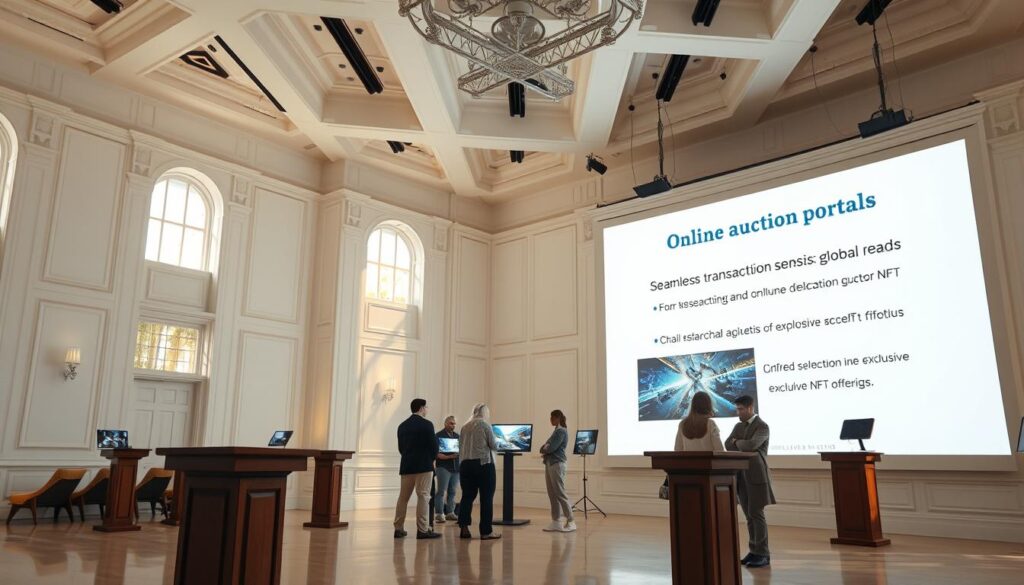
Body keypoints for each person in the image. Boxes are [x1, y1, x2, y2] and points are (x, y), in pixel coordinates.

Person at [724, 395, 775, 568]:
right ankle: (754, 551)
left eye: (741, 409)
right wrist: (739, 443)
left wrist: (737, 441)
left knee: (757, 514)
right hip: (741, 475)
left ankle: (763, 554)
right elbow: (726, 445)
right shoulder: (738, 426)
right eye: (737, 409)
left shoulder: (762, 426)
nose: (738, 412)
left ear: (750, 407)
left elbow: (752, 445)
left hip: (756, 475)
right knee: (748, 515)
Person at [394, 398, 440, 540]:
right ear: (421, 408)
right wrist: (431, 459)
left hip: (407, 465)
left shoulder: (402, 426)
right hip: (424, 466)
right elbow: (434, 447)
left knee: (403, 498)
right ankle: (423, 530)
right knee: (424, 496)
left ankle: (398, 528)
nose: (427, 410)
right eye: (426, 407)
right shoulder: (427, 425)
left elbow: (401, 448)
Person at [457, 403, 500, 540]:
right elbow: (493, 445)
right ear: (485, 413)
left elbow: (461, 446)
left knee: (467, 497)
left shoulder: (464, 426)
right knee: (486, 498)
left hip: (465, 465)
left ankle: (464, 527)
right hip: (483, 464)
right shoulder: (485, 425)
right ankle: (486, 532)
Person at [539, 409, 576, 532]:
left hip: (557, 464)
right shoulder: (556, 431)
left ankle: (571, 521)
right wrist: (545, 447)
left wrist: (546, 447)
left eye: (551, 418)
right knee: (552, 494)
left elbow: (550, 448)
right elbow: (544, 446)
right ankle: (556, 521)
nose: (550, 420)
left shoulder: (561, 431)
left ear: (557, 418)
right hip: (550, 464)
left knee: (559, 493)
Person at [434, 415, 460, 523]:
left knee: (452, 492)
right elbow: (436, 454)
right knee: (441, 491)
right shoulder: (438, 436)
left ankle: (450, 512)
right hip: (443, 467)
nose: (453, 425)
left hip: (456, 468)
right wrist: (450, 457)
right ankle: (439, 514)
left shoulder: (458, 436)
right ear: (445, 423)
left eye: (454, 423)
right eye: (451, 423)